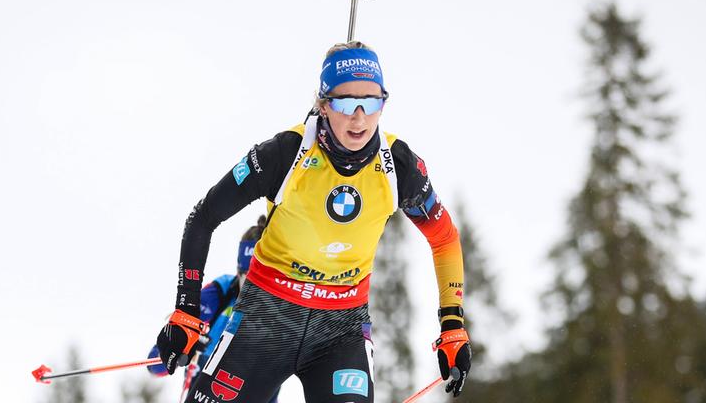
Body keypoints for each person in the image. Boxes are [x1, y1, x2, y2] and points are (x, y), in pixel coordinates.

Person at [156, 41, 471, 403]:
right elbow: (203, 217)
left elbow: (444, 238)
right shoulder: (284, 154)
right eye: (345, 103)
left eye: (371, 103)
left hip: (340, 328)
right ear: (323, 104)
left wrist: (452, 325)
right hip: (266, 318)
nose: (359, 118)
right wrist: (186, 311)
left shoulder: (398, 167)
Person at [149, 217, 280, 403]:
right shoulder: (218, 294)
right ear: (239, 272)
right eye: (249, 277)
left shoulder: (284, 308)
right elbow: (155, 365)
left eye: (263, 280)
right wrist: (181, 348)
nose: (254, 288)